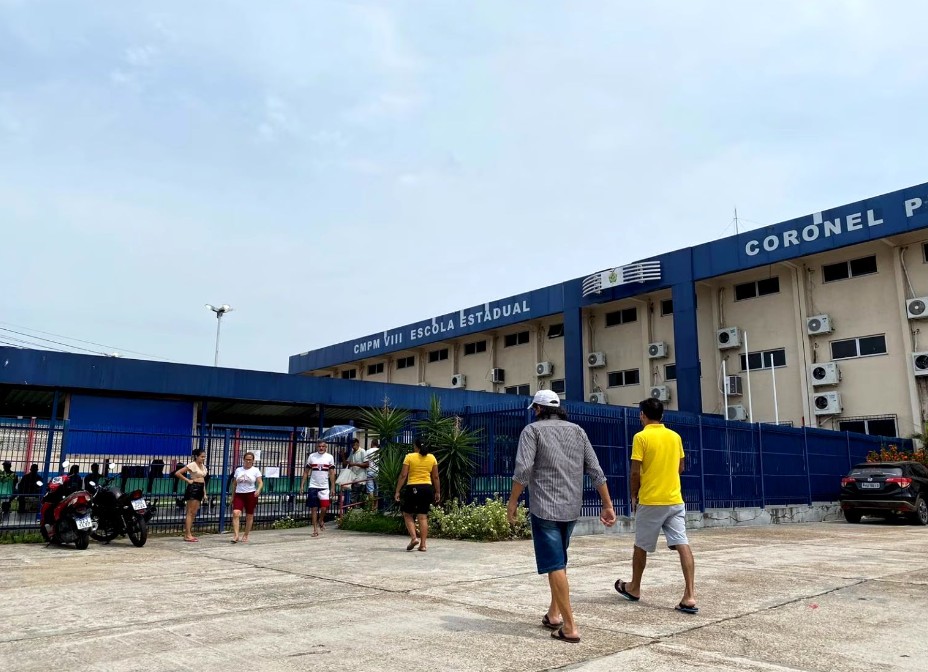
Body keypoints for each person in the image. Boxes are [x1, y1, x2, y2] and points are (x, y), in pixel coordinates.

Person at [507, 390, 616, 644]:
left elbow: (523, 469)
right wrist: (608, 504)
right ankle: (554, 614)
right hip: (571, 507)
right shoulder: (578, 431)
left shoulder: (532, 431)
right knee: (560, 561)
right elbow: (595, 469)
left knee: (554, 564)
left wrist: (512, 503)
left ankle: (570, 627)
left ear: (538, 410)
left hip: (544, 507)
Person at [614, 397, 697, 615]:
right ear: (662, 416)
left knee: (641, 546)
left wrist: (634, 494)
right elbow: (680, 466)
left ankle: (634, 587)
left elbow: (634, 471)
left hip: (651, 500)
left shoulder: (641, 437)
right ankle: (689, 595)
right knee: (682, 543)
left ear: (642, 414)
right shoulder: (675, 436)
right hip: (674, 499)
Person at [394, 437, 439, 552]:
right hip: (427, 488)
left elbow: (403, 475)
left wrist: (397, 490)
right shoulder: (432, 458)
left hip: (413, 487)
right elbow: (435, 477)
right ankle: (423, 545)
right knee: (422, 517)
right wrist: (437, 491)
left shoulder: (409, 457)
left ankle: (414, 538)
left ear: (416, 446)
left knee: (407, 513)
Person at [300, 440, 335, 537]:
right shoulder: (312, 456)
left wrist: (332, 487)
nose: (321, 448)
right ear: (317, 447)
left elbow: (332, 473)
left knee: (324, 507)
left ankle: (321, 519)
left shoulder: (329, 457)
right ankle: (315, 529)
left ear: (326, 447)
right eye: (319, 446)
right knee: (314, 509)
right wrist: (302, 485)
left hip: (324, 486)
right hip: (313, 486)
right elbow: (306, 472)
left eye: (323, 446)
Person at [174, 448, 208, 542]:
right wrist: (188, 480)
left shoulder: (203, 466)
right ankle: (187, 534)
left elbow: (203, 479)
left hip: (200, 487)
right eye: (201, 457)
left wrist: (204, 493)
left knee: (194, 512)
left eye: (204, 457)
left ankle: (189, 533)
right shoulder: (192, 465)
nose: (203, 458)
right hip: (194, 487)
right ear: (196, 456)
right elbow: (178, 473)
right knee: (190, 511)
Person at [230, 451, 263, 543]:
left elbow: (260, 482)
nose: (248, 461)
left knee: (249, 515)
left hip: (250, 494)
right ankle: (236, 535)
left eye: (250, 460)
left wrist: (258, 489)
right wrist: (232, 496)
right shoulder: (238, 470)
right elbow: (234, 484)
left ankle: (246, 534)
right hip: (239, 494)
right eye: (246, 459)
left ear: (253, 461)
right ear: (243, 459)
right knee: (236, 513)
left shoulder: (255, 470)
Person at [339, 438, 370, 509]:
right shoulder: (352, 452)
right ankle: (356, 510)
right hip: (354, 478)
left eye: (354, 443)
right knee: (356, 496)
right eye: (352, 444)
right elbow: (346, 463)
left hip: (360, 478)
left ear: (358, 443)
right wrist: (343, 456)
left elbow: (367, 464)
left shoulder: (362, 451)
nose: (353, 445)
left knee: (355, 496)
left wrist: (355, 464)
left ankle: (353, 511)